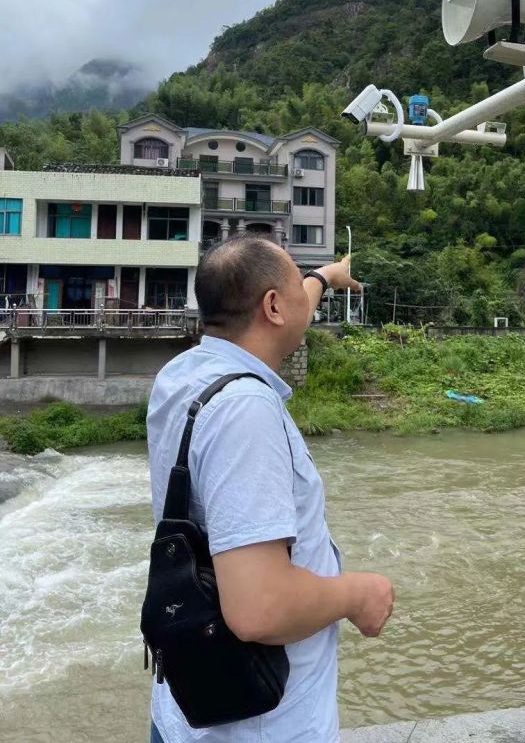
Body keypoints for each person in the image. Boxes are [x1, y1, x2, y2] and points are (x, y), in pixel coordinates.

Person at [146, 235, 395, 743]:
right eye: (297, 288)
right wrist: (357, 593)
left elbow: (295, 295)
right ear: (273, 307)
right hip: (257, 726)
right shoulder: (245, 411)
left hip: (189, 709)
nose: (308, 297)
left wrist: (326, 276)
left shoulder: (184, 375)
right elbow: (259, 607)